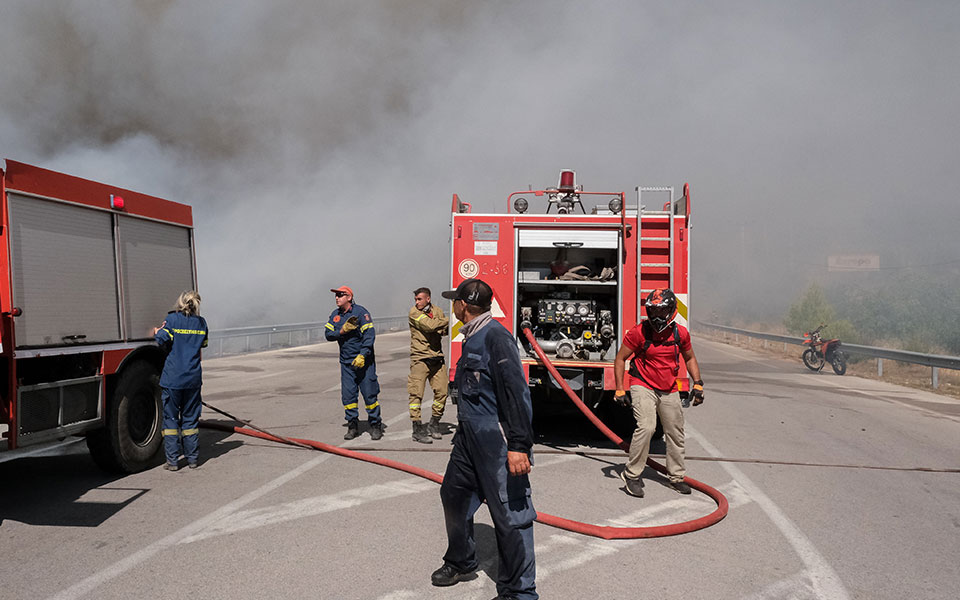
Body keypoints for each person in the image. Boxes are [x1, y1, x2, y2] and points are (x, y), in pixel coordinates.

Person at [431, 278, 538, 600]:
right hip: (468, 436)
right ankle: (461, 561)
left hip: (497, 438)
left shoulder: (496, 338)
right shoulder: (473, 336)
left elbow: (516, 394)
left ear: (463, 305)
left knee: (511, 514)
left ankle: (520, 592)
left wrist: (519, 446)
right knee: (454, 495)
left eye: (454, 301)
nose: (452, 306)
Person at [613, 288, 704, 498]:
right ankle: (632, 475)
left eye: (662, 311)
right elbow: (620, 359)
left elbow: (689, 358)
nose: (657, 316)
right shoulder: (639, 332)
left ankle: (676, 477)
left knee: (675, 431)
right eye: (653, 311)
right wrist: (619, 388)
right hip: (642, 383)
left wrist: (697, 384)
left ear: (671, 311)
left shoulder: (680, 333)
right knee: (647, 426)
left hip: (669, 387)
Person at [153, 290, 209, 471]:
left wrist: (157, 331)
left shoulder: (172, 320)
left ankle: (173, 461)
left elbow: (161, 339)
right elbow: (204, 344)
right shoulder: (202, 323)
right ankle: (192, 459)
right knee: (190, 421)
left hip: (173, 379)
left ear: (180, 302)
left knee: (170, 420)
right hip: (193, 379)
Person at [324, 286, 383, 441]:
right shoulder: (335, 315)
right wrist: (342, 331)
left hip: (364, 363)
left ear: (349, 297)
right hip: (346, 363)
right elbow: (328, 334)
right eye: (336, 296)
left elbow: (369, 336)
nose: (337, 298)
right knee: (348, 396)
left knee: (370, 395)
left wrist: (363, 355)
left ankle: (375, 425)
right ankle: (352, 425)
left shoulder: (361, 313)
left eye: (340, 295)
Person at [408, 287, 449, 444]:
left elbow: (444, 331)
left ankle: (434, 423)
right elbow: (430, 326)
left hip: (437, 358)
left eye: (419, 299)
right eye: (416, 299)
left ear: (428, 299)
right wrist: (448, 320)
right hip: (420, 358)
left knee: (442, 392)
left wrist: (441, 324)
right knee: (416, 394)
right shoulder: (414, 313)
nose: (417, 302)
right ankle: (417, 429)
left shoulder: (437, 311)